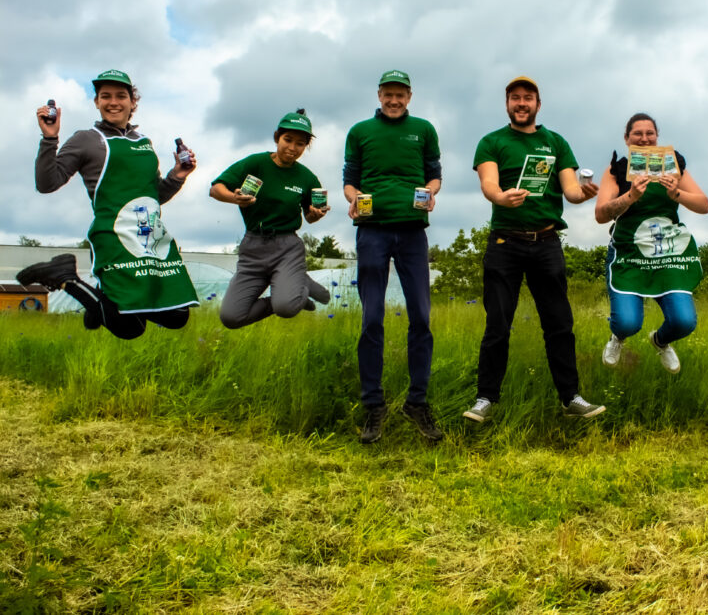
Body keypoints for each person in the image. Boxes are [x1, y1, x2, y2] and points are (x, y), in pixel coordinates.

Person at [18, 69, 198, 339]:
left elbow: (153, 197)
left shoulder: (145, 144)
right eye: (105, 96)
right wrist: (49, 138)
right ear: (97, 103)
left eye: (120, 96)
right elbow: (47, 183)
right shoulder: (86, 139)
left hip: (150, 239)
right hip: (113, 238)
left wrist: (177, 176)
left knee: (176, 316)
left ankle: (99, 304)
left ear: (132, 102)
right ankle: (68, 280)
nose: (113, 102)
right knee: (129, 328)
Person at [463, 75, 603, 423]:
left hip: (547, 242)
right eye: (515, 98)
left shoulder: (555, 142)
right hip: (504, 242)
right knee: (497, 324)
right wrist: (500, 197)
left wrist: (583, 194)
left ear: (538, 105)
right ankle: (485, 399)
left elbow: (570, 190)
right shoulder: (491, 141)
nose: (521, 103)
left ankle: (571, 398)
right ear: (507, 104)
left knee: (559, 324)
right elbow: (489, 183)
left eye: (528, 98)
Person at [343, 70, 443, 444]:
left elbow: (434, 174)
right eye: (389, 94)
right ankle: (374, 404)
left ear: (410, 96)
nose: (394, 100)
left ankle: (417, 402)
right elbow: (350, 178)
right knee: (372, 318)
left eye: (401, 94)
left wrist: (431, 192)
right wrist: (352, 197)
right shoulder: (359, 132)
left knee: (421, 315)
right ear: (379, 94)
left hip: (414, 232)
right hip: (372, 231)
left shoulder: (425, 130)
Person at [595, 113, 708, 373]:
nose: (645, 139)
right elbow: (601, 214)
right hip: (629, 253)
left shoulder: (673, 165)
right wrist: (630, 196)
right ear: (627, 139)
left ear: (657, 136)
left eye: (650, 133)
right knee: (627, 322)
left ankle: (660, 341)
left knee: (684, 321)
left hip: (667, 252)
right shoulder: (616, 170)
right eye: (638, 133)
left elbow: (703, 205)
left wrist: (676, 193)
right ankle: (618, 336)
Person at [210, 109, 331, 329]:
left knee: (285, 307)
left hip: (286, 248)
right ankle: (298, 288)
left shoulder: (307, 177)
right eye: (288, 140)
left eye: (300, 144)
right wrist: (234, 198)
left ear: (306, 146)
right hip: (253, 248)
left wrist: (315, 215)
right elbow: (216, 189)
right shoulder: (255, 163)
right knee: (231, 318)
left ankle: (292, 290)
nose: (293, 148)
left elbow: (310, 216)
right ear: (277, 137)